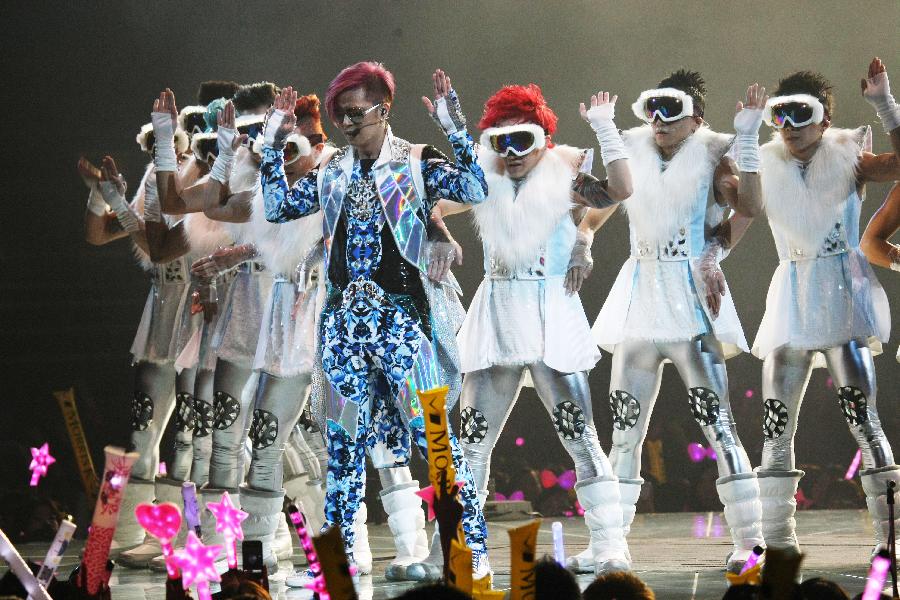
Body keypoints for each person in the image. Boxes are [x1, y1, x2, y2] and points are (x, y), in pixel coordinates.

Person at [260, 63, 492, 579]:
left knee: (435, 440)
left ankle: (466, 553)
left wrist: (455, 130)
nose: (345, 123)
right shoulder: (331, 171)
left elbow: (477, 189)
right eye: (340, 114)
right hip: (344, 328)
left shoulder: (416, 162)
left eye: (356, 113)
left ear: (384, 110)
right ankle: (335, 566)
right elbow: (277, 207)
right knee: (342, 451)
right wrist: (273, 144)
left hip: (404, 327)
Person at [434, 82, 632, 574]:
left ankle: (610, 544)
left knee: (579, 434)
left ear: (542, 137)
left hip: (550, 311)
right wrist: (440, 238)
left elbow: (620, 190)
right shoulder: (481, 179)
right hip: (498, 311)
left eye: (522, 139)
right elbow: (429, 204)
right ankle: (468, 550)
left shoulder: (565, 176)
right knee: (472, 442)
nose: (513, 152)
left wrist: (605, 129)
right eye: (502, 142)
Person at [578, 69, 768, 572]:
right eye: (653, 109)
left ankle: (750, 541)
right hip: (641, 295)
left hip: (689, 298)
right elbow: (603, 203)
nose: (659, 120)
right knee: (623, 429)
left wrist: (713, 254)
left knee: (718, 424)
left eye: (672, 111)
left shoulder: (712, 154)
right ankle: (610, 544)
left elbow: (748, 204)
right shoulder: (632, 148)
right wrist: (583, 238)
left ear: (695, 119)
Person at [753, 58, 900, 557]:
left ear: (824, 120)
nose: (790, 127)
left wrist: (884, 104)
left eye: (802, 114)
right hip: (790, 295)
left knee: (864, 421)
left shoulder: (848, 157)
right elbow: (727, 201)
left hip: (840, 292)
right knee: (775, 425)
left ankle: (890, 539)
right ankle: (776, 543)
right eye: (782, 115)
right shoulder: (765, 163)